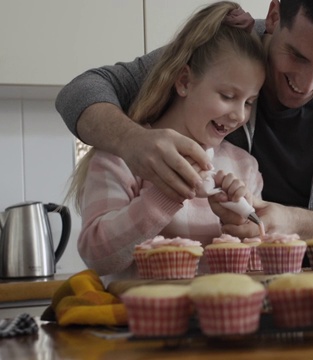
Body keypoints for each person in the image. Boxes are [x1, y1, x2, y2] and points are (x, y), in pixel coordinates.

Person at [56, 0, 313, 267]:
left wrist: (288, 222)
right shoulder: (224, 50)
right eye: (296, 56)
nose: (305, 83)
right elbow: (81, 91)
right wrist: (132, 142)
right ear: (273, 16)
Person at [64, 1, 266, 278]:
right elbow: (98, 257)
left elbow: (257, 271)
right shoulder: (121, 157)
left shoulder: (245, 167)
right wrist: (163, 196)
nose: (238, 115)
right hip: (138, 319)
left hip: (219, 319)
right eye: (227, 96)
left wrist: (244, 229)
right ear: (184, 81)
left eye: (250, 102)